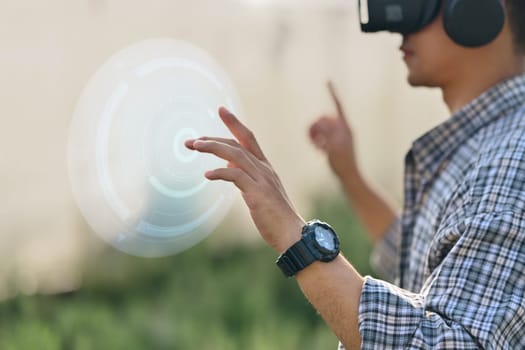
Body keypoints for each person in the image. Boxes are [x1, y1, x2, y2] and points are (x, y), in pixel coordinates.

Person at [185, 0, 525, 348]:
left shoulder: (511, 159)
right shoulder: (490, 147)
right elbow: (421, 261)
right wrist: (351, 177)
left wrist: (293, 234)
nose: (398, 25)